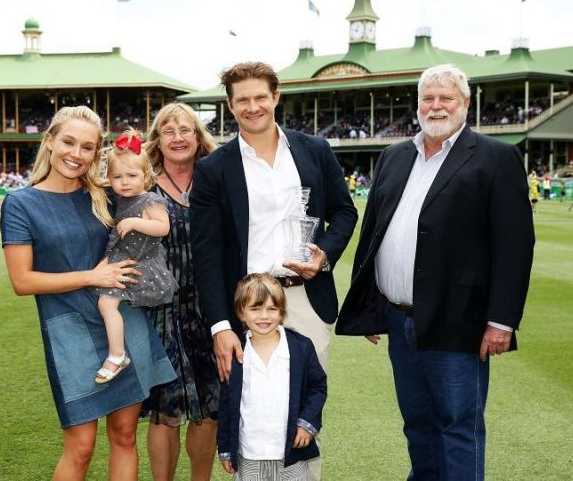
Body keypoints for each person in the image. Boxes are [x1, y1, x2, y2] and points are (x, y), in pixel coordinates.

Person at [336, 64, 534, 480]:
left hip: (458, 317)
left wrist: (501, 321)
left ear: (465, 105)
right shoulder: (393, 156)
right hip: (397, 314)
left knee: (458, 426)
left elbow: (515, 247)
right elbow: (374, 232)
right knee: (417, 424)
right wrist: (370, 307)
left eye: (447, 98)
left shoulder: (495, 158)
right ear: (418, 104)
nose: (436, 106)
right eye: (429, 98)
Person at [190, 61, 357, 480]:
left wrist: (325, 255)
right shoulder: (214, 169)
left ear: (276, 97)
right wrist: (220, 327)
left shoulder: (313, 150)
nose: (252, 106)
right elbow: (206, 255)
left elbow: (344, 212)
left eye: (260, 97)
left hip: (304, 294)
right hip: (245, 303)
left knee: (304, 405)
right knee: (250, 406)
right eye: (242, 99)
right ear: (230, 105)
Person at [0, 106, 176, 480]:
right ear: (49, 141)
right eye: (68, 142)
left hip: (124, 323)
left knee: (125, 435)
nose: (75, 154)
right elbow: (23, 281)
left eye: (86, 147)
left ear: (96, 154)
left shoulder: (108, 195)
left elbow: (153, 206)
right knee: (80, 446)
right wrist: (91, 276)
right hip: (68, 329)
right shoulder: (20, 203)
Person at [141, 102, 221, 481]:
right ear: (157, 139)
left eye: (185, 129)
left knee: (209, 403)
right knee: (165, 408)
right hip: (160, 309)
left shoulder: (216, 177)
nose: (177, 137)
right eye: (168, 131)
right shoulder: (143, 184)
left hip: (210, 307)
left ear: (197, 135)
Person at [218, 273, 326, 480]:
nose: (264, 316)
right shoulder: (234, 352)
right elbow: (226, 404)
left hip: (291, 453)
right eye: (255, 309)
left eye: (271, 309)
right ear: (241, 312)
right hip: (249, 454)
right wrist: (225, 448)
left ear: (282, 312)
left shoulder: (300, 347)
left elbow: (317, 387)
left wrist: (306, 424)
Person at [93, 129, 178, 385]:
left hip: (142, 264)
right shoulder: (120, 198)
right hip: (123, 257)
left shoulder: (150, 200)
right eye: (118, 177)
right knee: (105, 305)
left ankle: (117, 355)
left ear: (146, 177)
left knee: (106, 305)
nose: (125, 182)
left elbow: (163, 228)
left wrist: (134, 221)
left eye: (132, 176)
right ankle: (117, 353)